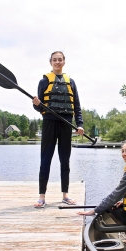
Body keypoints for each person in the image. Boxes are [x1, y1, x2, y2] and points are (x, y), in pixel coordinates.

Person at [77, 140, 126, 244]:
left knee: (108, 205)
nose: (124, 154)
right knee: (115, 204)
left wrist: (94, 210)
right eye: (122, 151)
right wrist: (125, 202)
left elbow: (116, 195)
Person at [32, 51, 84, 208]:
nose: (57, 62)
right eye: (55, 60)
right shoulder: (44, 81)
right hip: (49, 122)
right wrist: (35, 104)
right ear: (50, 62)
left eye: (60, 60)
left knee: (65, 160)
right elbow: (38, 106)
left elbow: (77, 106)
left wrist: (79, 124)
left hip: (66, 123)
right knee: (45, 159)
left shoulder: (71, 82)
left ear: (64, 62)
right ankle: (42, 197)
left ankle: (65, 195)